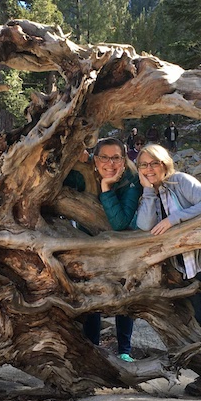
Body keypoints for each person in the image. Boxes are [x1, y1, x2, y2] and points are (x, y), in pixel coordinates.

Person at [135, 144, 201, 396]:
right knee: (200, 326)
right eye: (144, 165)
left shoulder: (181, 182)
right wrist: (148, 191)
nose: (150, 169)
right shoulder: (148, 192)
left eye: (154, 163)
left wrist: (174, 219)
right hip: (184, 271)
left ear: (165, 163)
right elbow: (144, 225)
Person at [65, 137, 143, 362]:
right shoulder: (84, 171)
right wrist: (72, 158)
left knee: (124, 294)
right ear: (94, 158)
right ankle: (92, 348)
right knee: (91, 295)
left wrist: (107, 188)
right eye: (104, 157)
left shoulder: (131, 179)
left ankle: (124, 350)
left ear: (124, 157)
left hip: (122, 244)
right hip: (88, 242)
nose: (110, 163)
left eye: (116, 157)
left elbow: (119, 222)